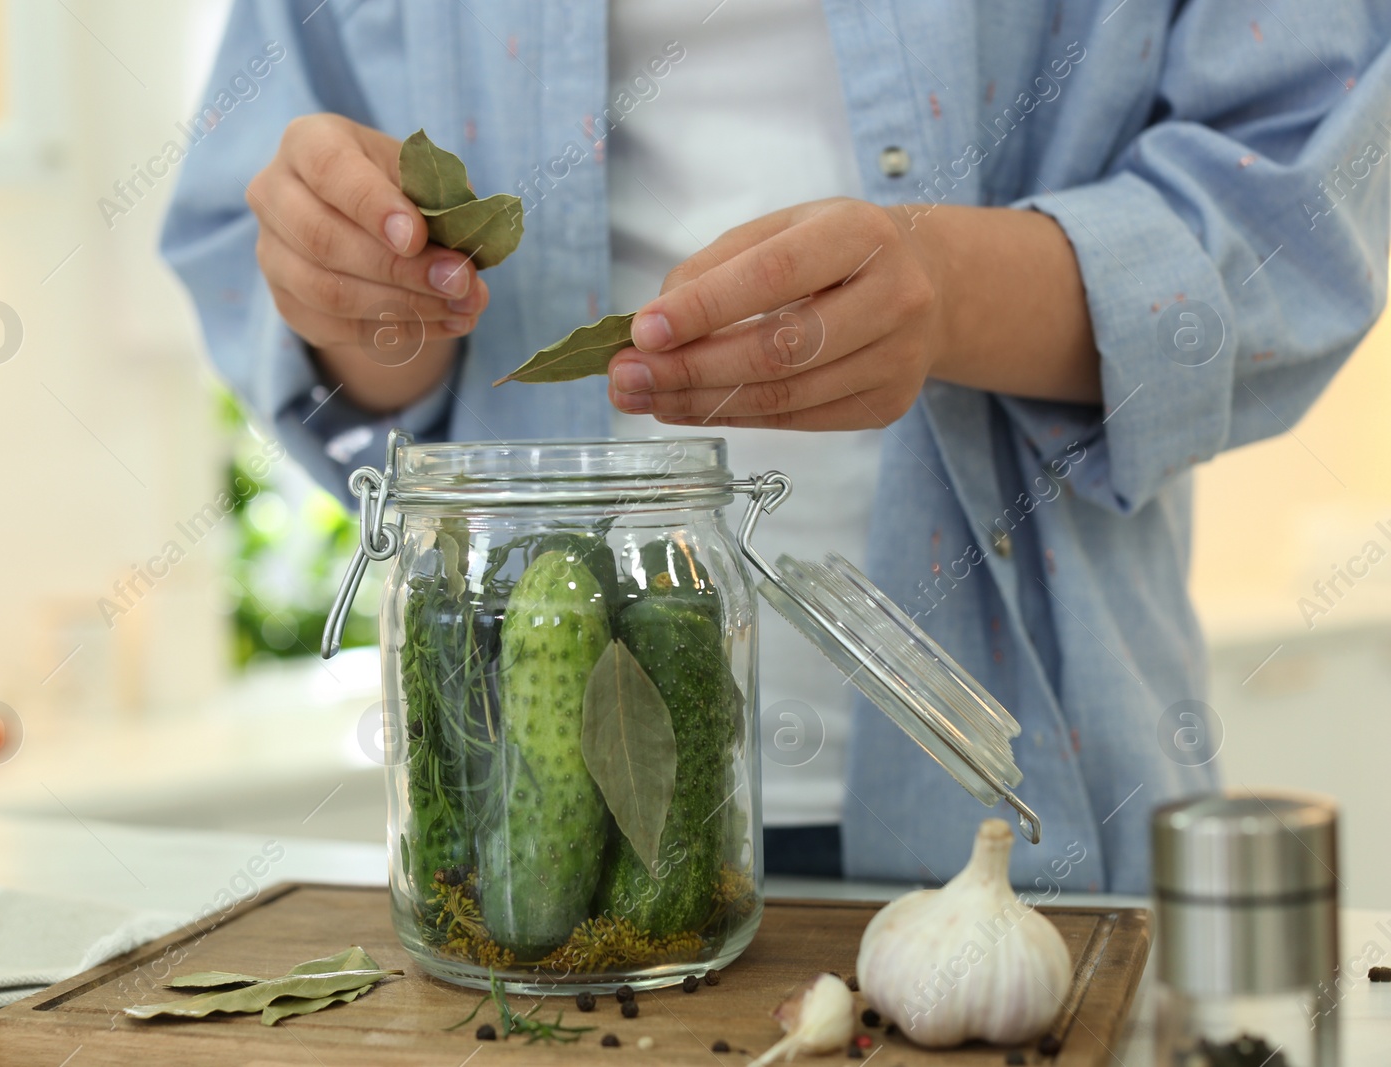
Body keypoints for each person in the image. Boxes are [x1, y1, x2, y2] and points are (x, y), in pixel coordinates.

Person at [162, 0, 1391, 892]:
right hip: (518, 828)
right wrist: (364, 288)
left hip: (1030, 810)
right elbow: (327, 326)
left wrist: (953, 291)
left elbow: (1310, 198)